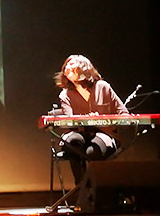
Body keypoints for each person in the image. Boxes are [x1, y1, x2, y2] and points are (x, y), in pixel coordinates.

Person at [53, 54, 128, 182]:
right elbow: (69, 120)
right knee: (73, 143)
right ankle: (82, 187)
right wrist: (85, 119)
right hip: (78, 132)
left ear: (84, 68)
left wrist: (103, 119)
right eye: (65, 66)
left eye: (71, 65)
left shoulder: (103, 87)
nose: (66, 68)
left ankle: (99, 187)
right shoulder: (65, 94)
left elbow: (123, 113)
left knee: (93, 152)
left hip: (103, 133)